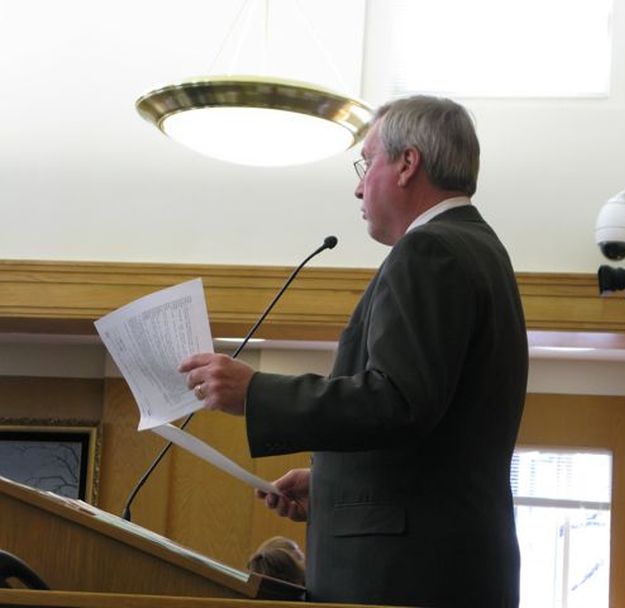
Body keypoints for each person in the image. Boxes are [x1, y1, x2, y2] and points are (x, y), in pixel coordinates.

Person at [179, 95, 528, 608]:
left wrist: (256, 392)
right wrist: (332, 487)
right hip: (439, 569)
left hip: (406, 578)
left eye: (367, 163)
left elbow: (398, 402)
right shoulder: (477, 248)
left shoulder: (430, 250)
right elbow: (438, 432)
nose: (359, 186)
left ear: (408, 164)